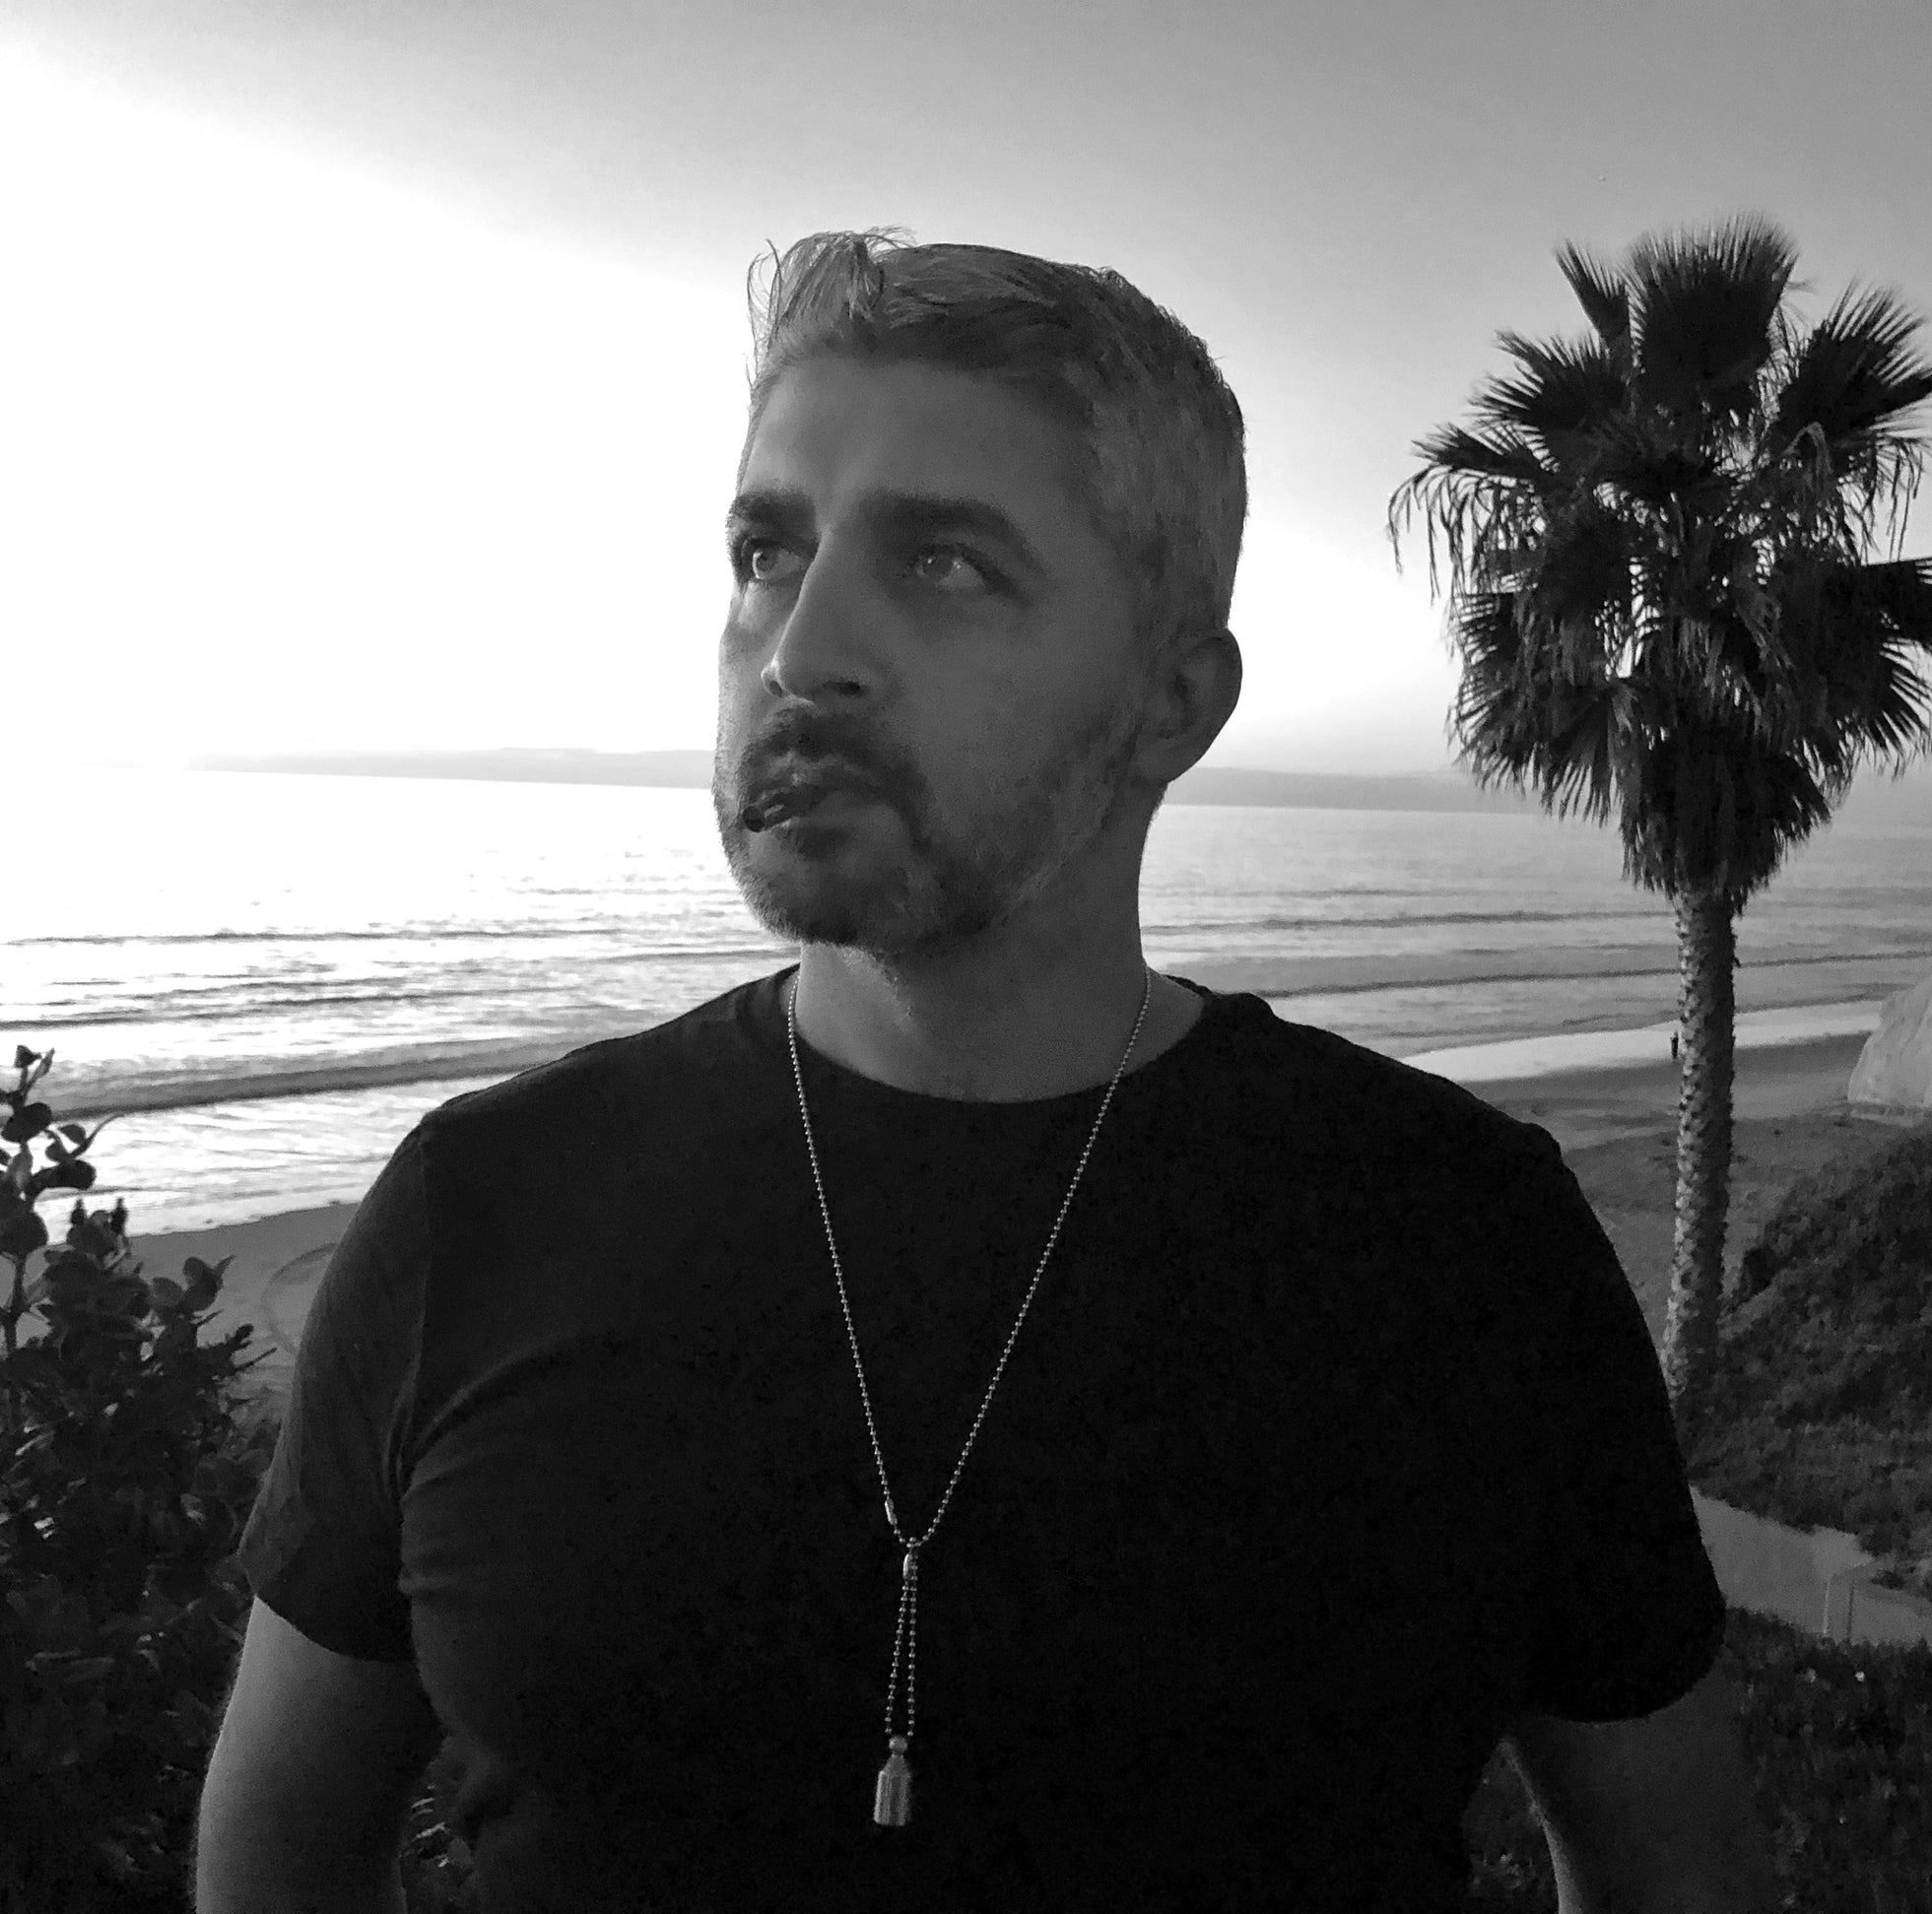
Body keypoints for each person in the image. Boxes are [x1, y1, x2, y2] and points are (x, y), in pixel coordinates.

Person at [211, 231, 1757, 1912]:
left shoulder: (1462, 1245)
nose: (800, 649)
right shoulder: (491, 1208)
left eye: (943, 563)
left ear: (1170, 701)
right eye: (766, 551)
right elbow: (278, 1854)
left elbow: (1672, 1876)